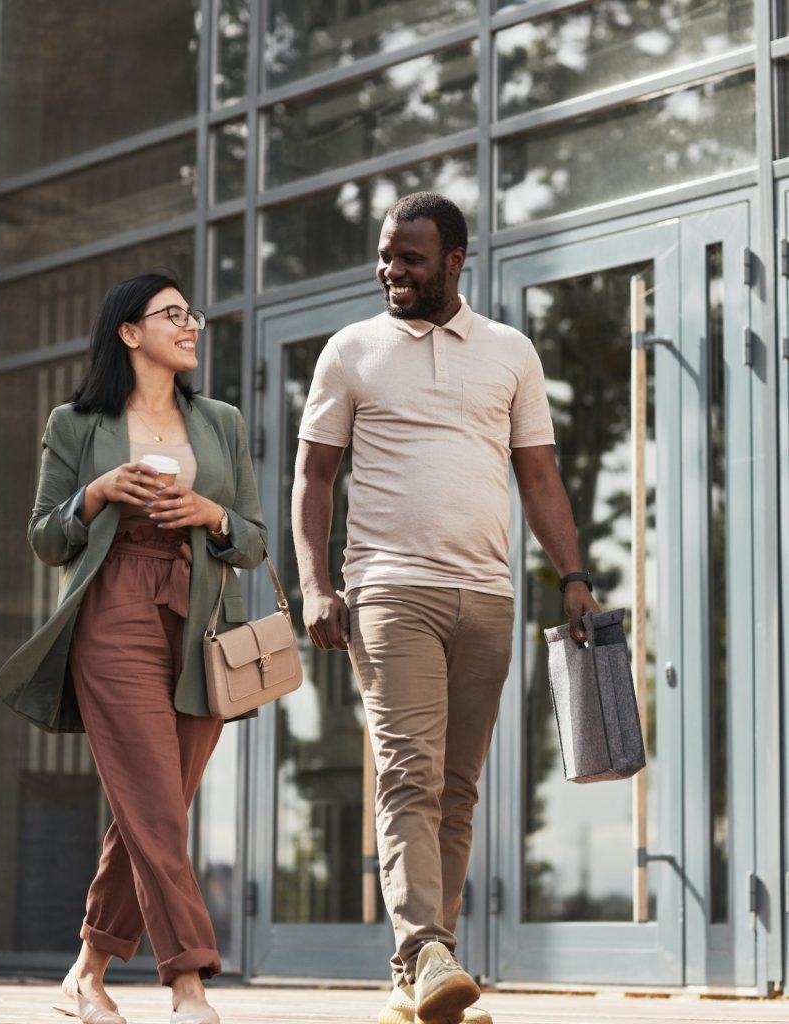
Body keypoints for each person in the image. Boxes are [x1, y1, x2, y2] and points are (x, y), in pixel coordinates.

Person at [291, 192, 599, 1024]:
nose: (391, 270)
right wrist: (317, 584)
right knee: (407, 774)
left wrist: (572, 575)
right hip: (390, 590)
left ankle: (425, 972)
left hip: (486, 594)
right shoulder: (352, 350)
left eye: (409, 258)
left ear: (455, 261)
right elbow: (315, 475)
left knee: (456, 789)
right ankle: (425, 948)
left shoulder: (509, 352)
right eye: (386, 256)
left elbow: (538, 476)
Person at [0, 273, 267, 1024]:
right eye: (173, 314)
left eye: (193, 314)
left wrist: (212, 513)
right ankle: (188, 980)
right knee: (152, 802)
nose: (191, 326)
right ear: (129, 332)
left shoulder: (222, 422)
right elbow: (46, 537)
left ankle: (86, 973)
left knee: (156, 809)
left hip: (199, 618)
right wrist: (99, 491)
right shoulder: (76, 423)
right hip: (112, 611)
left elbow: (252, 539)